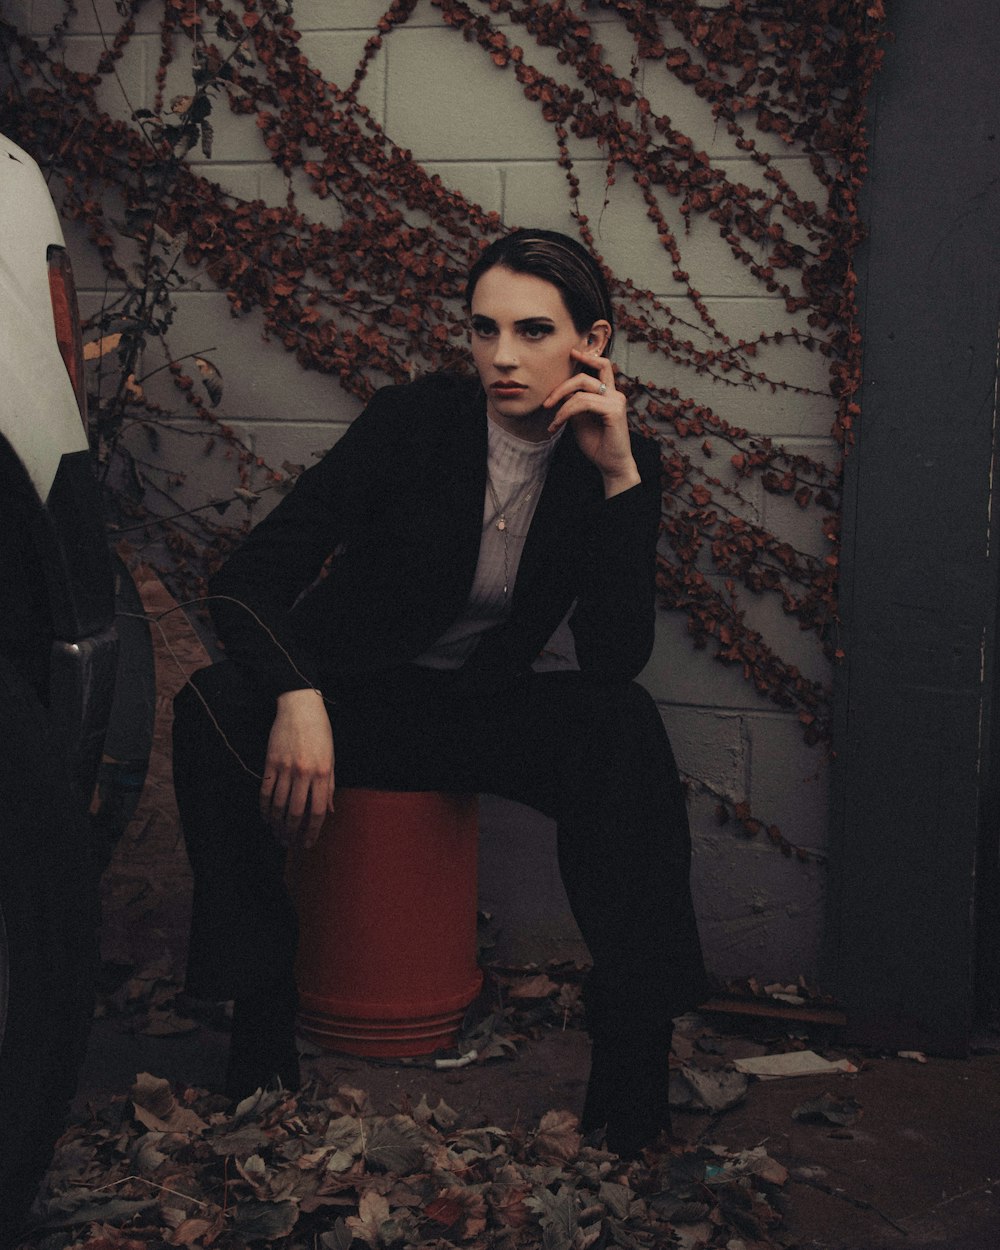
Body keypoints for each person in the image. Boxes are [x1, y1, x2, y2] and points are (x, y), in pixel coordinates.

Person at [172, 227, 708, 1157]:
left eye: (535, 331)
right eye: (483, 329)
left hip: (475, 713)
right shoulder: (410, 424)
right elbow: (248, 576)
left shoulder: (612, 463)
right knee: (211, 705)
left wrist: (619, 476)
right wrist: (298, 695)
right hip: (350, 704)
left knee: (622, 726)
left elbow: (613, 656)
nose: (503, 356)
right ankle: (261, 1021)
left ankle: (633, 1065)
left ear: (595, 340)